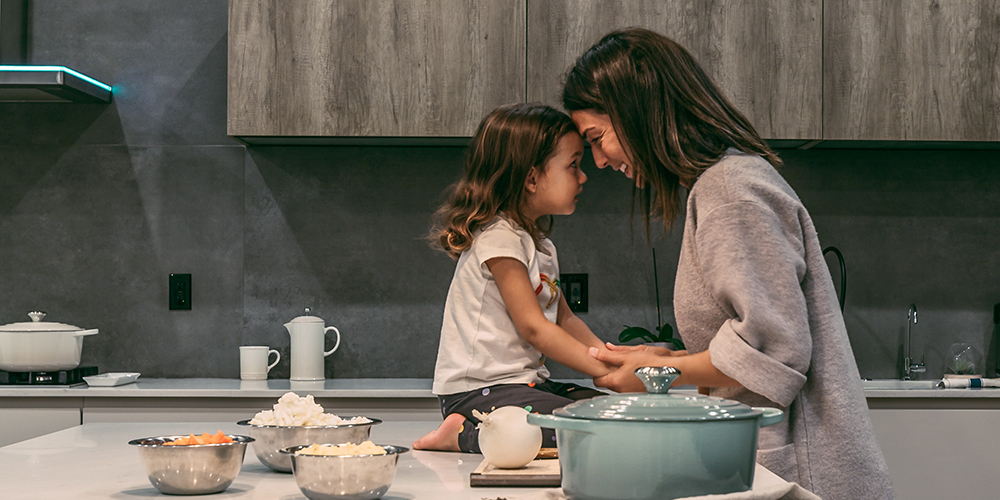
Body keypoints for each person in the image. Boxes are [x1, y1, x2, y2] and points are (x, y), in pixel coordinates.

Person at [562, 28, 894, 500]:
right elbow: (750, 337)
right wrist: (668, 359)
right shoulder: (723, 185)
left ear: (637, 112)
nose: (598, 161)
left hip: (804, 472)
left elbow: (774, 352)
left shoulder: (729, 192)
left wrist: (660, 375)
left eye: (597, 138)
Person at [412, 103, 610, 453]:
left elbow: (564, 320)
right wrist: (603, 371)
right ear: (532, 179)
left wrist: (609, 360)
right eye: (573, 165)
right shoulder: (499, 238)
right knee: (589, 428)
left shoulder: (539, 244)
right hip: (479, 393)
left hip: (523, 387)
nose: (583, 176)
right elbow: (534, 327)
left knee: (612, 414)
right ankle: (463, 433)